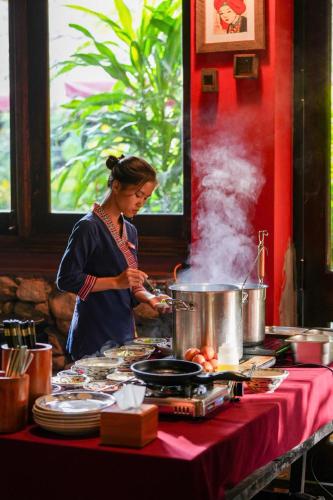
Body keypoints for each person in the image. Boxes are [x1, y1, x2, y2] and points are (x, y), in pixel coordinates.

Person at [56, 154, 170, 360]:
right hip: (93, 335)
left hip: (123, 335)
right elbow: (66, 279)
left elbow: (132, 284)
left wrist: (152, 299)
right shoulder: (88, 227)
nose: (141, 203)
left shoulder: (131, 231)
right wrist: (116, 281)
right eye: (137, 194)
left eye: (146, 198)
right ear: (116, 186)